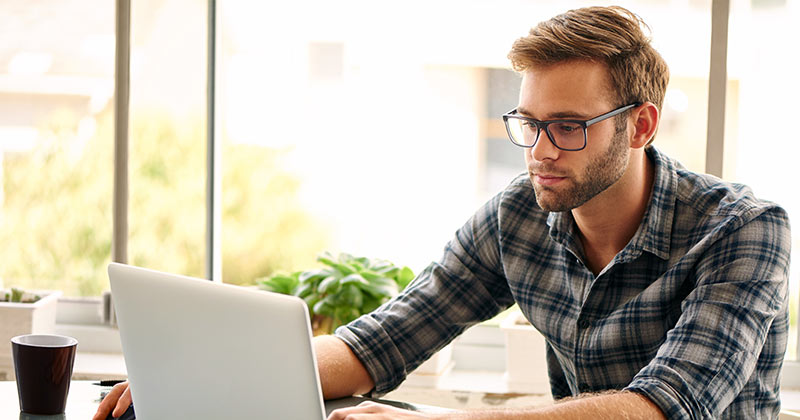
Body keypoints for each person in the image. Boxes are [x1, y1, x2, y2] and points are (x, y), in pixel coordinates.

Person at [95, 5, 791, 420]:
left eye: (569, 127)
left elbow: (660, 408)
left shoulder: (745, 231)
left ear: (640, 126)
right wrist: (199, 377)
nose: (540, 151)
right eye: (528, 122)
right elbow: (382, 342)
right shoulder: (518, 217)